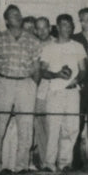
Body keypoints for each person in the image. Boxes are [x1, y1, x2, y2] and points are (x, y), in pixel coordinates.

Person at [0, 4, 40, 173]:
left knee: (26, 126)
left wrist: (32, 85)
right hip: (4, 82)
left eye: (19, 14)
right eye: (13, 15)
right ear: (6, 20)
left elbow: (37, 68)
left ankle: (22, 166)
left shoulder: (32, 40)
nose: (17, 17)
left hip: (26, 83)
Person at [37, 14, 87, 171]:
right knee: (53, 128)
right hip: (55, 92)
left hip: (72, 92)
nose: (68, 28)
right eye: (64, 25)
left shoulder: (78, 46)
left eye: (70, 25)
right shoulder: (49, 48)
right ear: (57, 27)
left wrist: (76, 80)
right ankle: (49, 163)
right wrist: (57, 74)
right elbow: (43, 71)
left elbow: (83, 69)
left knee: (71, 128)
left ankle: (65, 163)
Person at [73, 7, 88, 167]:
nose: (84, 22)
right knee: (77, 124)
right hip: (80, 86)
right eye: (81, 19)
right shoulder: (75, 39)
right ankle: (75, 160)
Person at [33, 16, 55, 166]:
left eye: (45, 27)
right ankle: (43, 160)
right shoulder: (33, 45)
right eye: (38, 28)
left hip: (53, 88)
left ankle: (53, 160)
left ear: (50, 28)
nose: (42, 31)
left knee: (53, 124)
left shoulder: (57, 43)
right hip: (38, 89)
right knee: (40, 124)